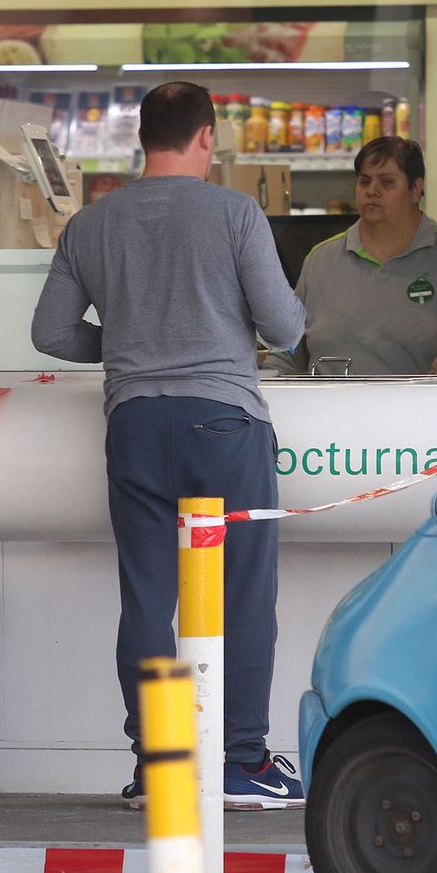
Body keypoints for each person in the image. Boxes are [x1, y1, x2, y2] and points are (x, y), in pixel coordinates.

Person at [30, 81, 308, 809]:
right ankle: (239, 761)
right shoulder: (235, 213)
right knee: (243, 593)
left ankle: (159, 761)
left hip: (134, 427)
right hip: (224, 424)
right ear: (206, 137)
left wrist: (128, 339)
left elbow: (50, 332)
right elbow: (284, 328)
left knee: (149, 599)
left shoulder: (92, 224)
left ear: (142, 137)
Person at [266, 136, 437, 375]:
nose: (372, 191)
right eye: (364, 181)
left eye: (386, 182)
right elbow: (288, 350)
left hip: (429, 412)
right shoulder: (320, 259)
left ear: (415, 189)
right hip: (330, 411)